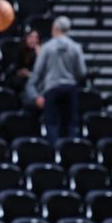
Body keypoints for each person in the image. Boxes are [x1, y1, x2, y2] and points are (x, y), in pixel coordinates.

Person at [29, 16, 87, 146]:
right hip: (70, 88)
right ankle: (71, 151)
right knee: (71, 123)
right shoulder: (75, 47)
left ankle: (54, 152)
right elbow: (82, 72)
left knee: (52, 122)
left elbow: (38, 70)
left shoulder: (47, 47)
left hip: (52, 88)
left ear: (54, 28)